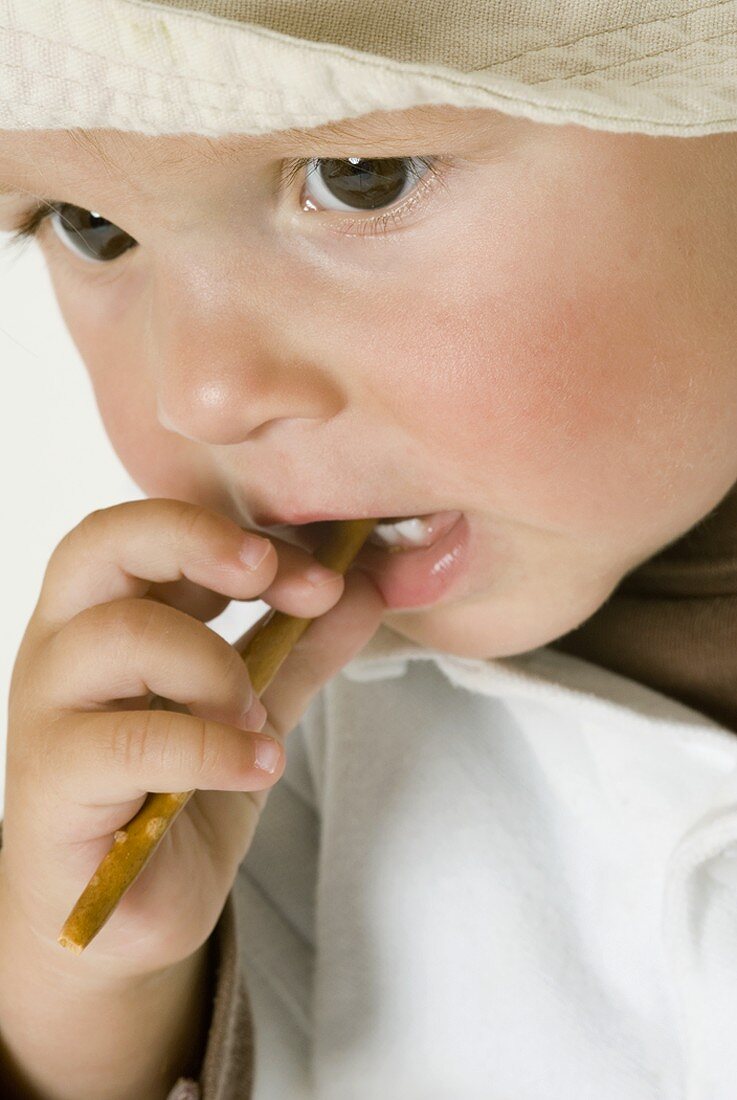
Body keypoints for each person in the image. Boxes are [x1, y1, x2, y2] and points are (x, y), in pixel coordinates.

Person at [0, 3, 736, 1098]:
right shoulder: (261, 770)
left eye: (359, 177)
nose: (201, 391)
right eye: (90, 225)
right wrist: (89, 993)